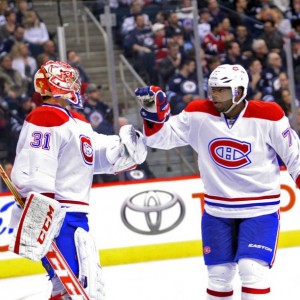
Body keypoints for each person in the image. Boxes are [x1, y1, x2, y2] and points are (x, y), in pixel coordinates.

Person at [135, 64, 300, 299]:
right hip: (217, 210)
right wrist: (153, 114)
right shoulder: (198, 113)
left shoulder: (268, 115)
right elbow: (161, 139)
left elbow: (295, 155)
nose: (214, 95)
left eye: (221, 90)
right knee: (219, 276)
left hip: (260, 209)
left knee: (252, 270)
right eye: (212, 89)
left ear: (239, 91)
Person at [9, 60, 147, 299]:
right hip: (57, 215)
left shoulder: (77, 122)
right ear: (58, 85)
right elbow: (34, 167)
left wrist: (122, 149)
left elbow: (93, 156)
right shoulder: (45, 117)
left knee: (71, 286)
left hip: (75, 215)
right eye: (70, 80)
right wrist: (42, 215)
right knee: (74, 288)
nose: (76, 85)